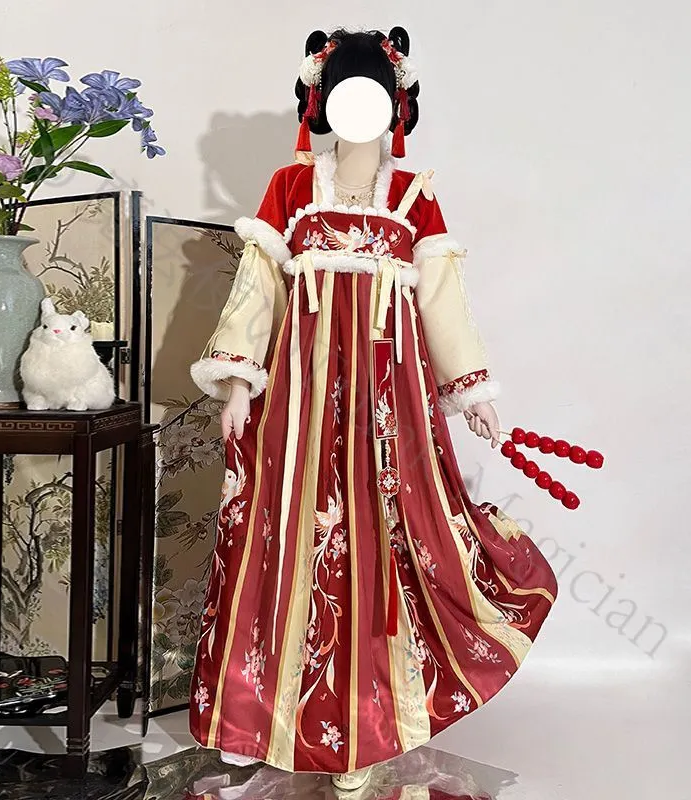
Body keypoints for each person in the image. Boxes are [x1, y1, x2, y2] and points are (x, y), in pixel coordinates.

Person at [189, 26, 557, 792]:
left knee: (381, 542)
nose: (361, 111)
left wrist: (472, 391)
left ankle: (366, 717)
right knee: (284, 534)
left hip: (391, 409)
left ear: (397, 106)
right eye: (347, 96)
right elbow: (259, 288)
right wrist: (238, 382)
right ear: (322, 103)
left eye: (375, 97)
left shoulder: (415, 195)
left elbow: (441, 301)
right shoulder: (291, 188)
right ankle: (256, 712)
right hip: (298, 400)